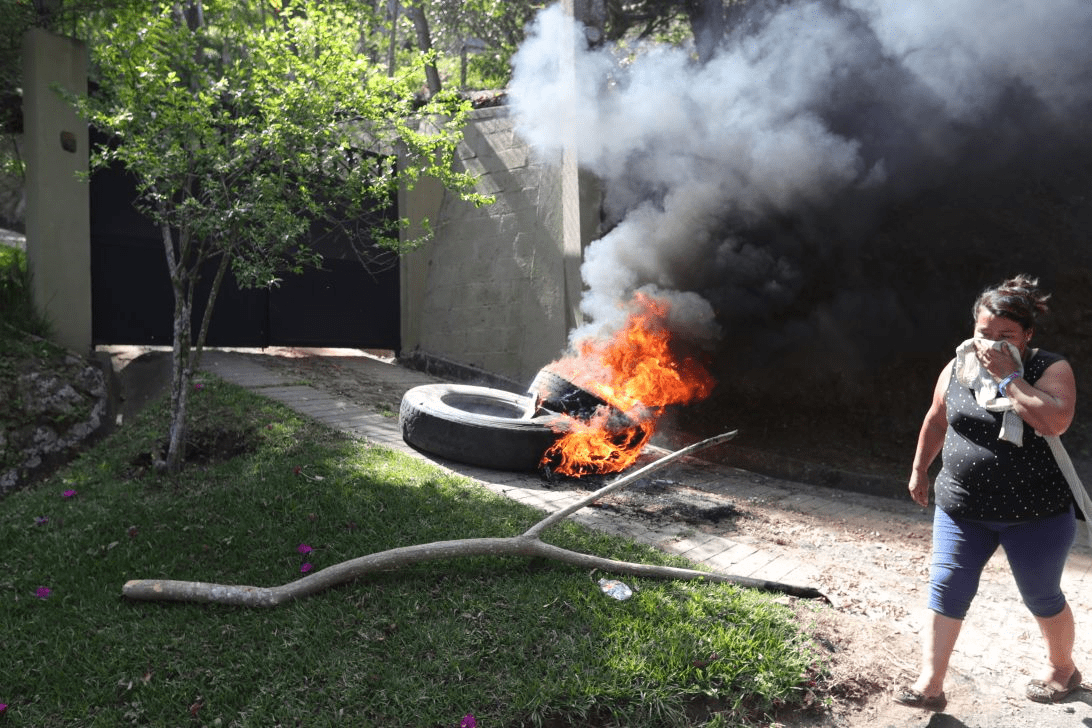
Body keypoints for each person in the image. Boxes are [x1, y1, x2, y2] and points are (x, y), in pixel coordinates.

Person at [895, 274, 1081, 712]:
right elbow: (937, 418)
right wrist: (920, 468)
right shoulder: (958, 364)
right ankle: (931, 684)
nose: (991, 344)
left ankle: (1063, 670)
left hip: (1036, 513)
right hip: (962, 506)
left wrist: (1010, 377)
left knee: (1041, 594)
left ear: (1028, 335)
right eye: (984, 333)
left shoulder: (1051, 368)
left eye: (1006, 336)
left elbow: (1053, 422)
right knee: (947, 585)